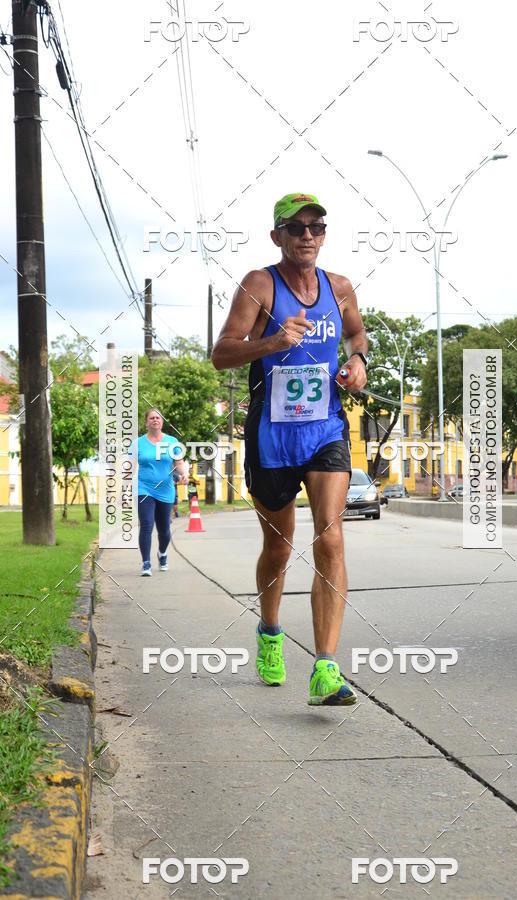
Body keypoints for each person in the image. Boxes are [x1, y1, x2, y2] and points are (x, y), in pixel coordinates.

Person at [211, 192, 368, 706]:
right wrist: (272, 343)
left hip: (325, 428)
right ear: (276, 235)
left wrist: (358, 363)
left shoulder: (340, 288)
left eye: (316, 227)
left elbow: (356, 335)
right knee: (279, 545)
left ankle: (325, 668)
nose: (307, 235)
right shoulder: (260, 285)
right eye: (295, 227)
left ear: (324, 235)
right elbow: (222, 354)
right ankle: (271, 633)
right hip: (272, 433)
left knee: (332, 537)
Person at [134, 408, 188, 576]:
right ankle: (146, 563)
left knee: (164, 528)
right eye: (151, 418)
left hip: (165, 489)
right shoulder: (138, 443)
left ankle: (162, 553)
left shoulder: (172, 442)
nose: (155, 420)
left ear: (162, 421)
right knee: (146, 525)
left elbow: (179, 463)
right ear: (146, 422)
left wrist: (184, 473)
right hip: (144, 488)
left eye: (158, 417)